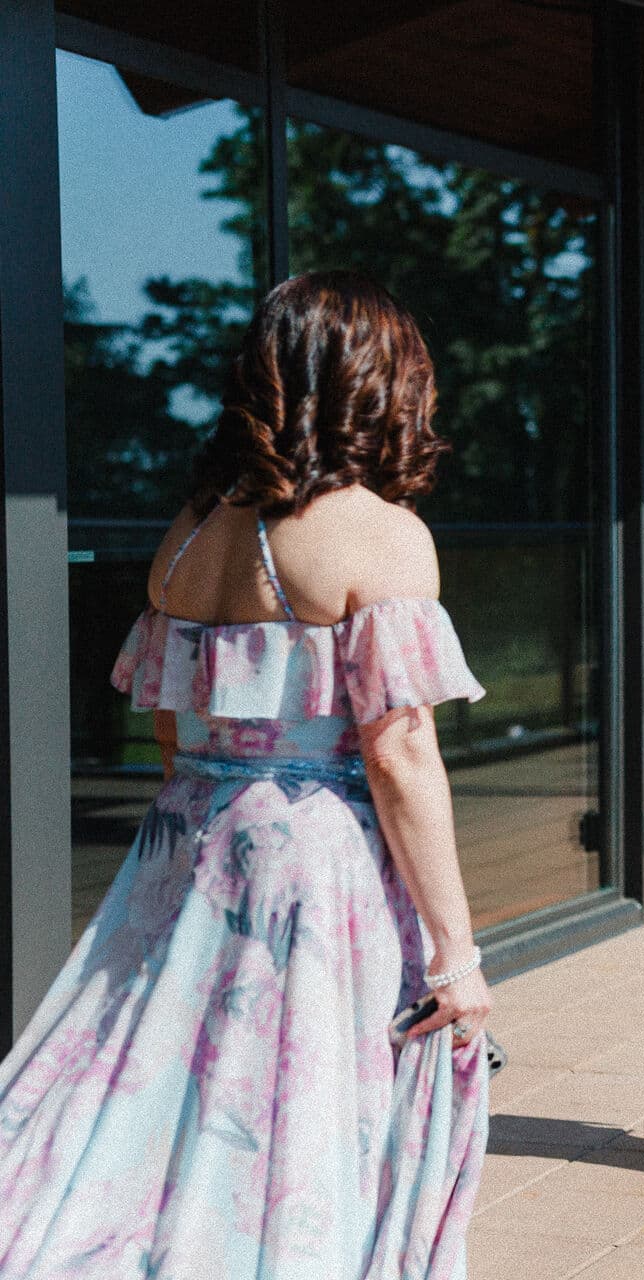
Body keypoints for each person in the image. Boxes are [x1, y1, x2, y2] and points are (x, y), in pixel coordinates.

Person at [0, 272, 493, 1279]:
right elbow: (399, 751)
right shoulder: (377, 531)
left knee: (152, 1089)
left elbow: (174, 730)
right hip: (308, 862)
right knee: (284, 1114)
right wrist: (455, 952)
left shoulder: (190, 531)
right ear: (370, 381)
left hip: (183, 842)